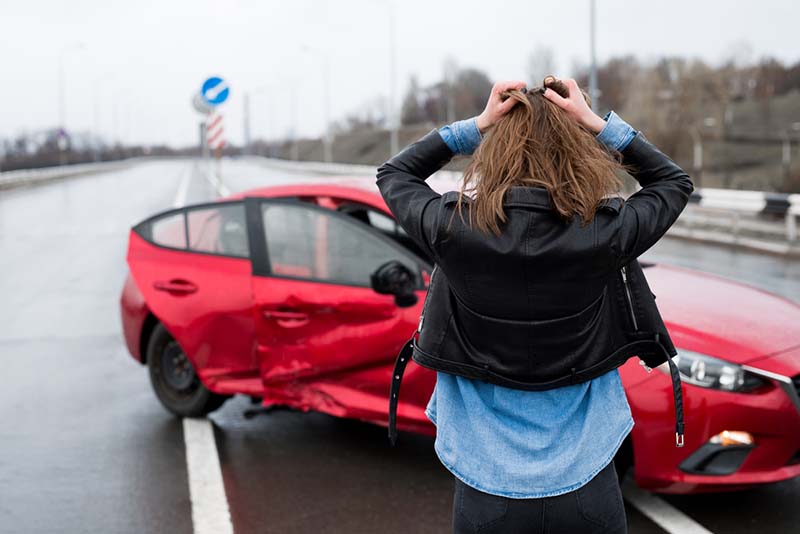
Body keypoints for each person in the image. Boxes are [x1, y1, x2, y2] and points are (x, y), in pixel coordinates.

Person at [376, 76, 693, 534]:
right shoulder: (606, 232)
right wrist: (595, 122)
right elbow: (672, 181)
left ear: (495, 154)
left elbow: (394, 174)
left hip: (487, 492)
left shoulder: (453, 230)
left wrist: (478, 124)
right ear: (576, 152)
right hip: (589, 488)